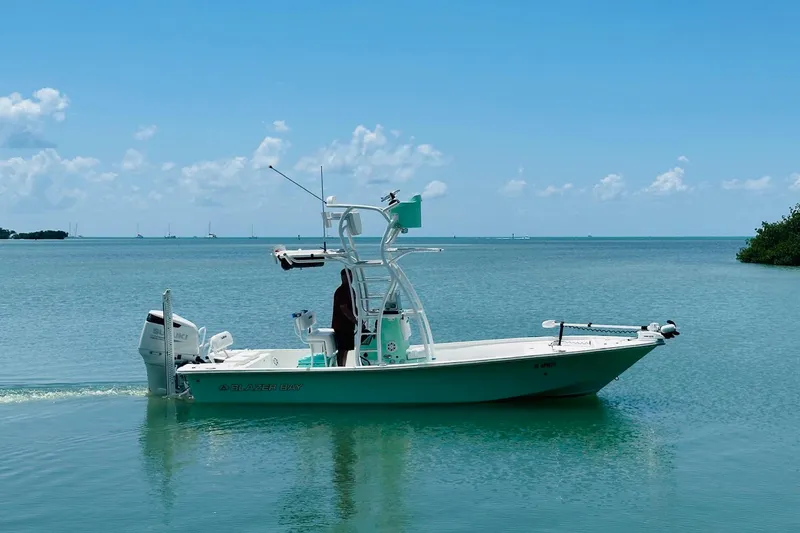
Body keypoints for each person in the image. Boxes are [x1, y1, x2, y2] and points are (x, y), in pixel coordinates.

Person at [331, 268, 357, 367]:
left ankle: (343, 366)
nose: (350, 278)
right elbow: (344, 309)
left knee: (346, 348)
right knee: (342, 349)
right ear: (342, 277)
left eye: (351, 276)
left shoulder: (351, 290)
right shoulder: (342, 291)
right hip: (341, 325)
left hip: (348, 325)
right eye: (348, 276)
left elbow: (353, 306)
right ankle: (340, 367)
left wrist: (359, 317)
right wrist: (355, 320)